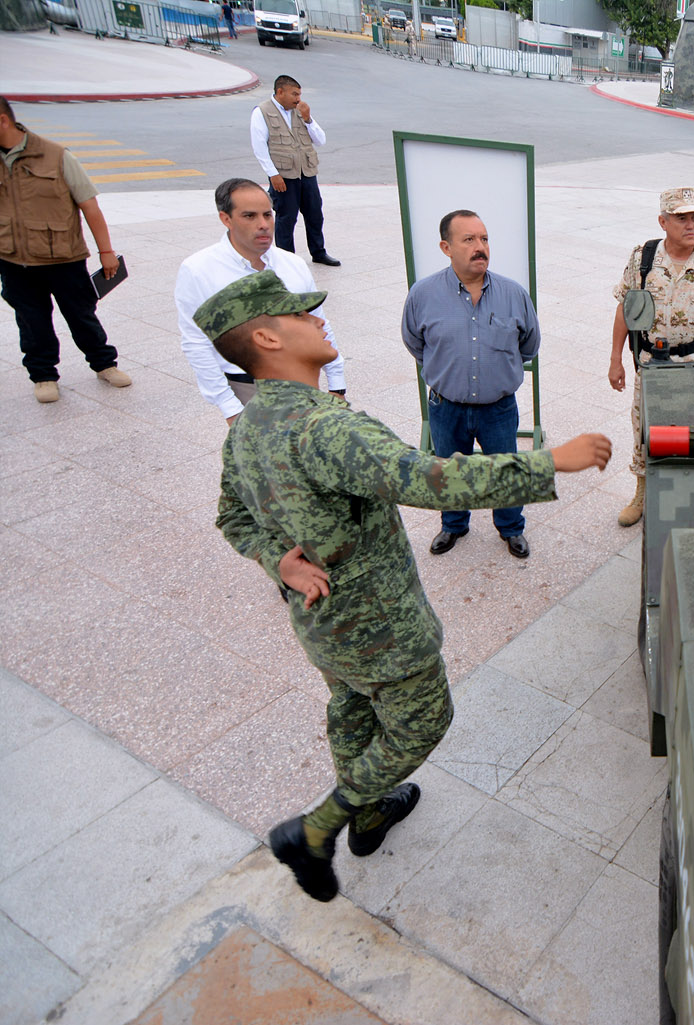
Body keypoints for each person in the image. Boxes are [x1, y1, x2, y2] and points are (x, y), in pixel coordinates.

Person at [201, 270, 610, 903]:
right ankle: (318, 829)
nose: (320, 321)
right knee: (422, 722)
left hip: (322, 625)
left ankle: (368, 819)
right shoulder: (325, 427)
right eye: (303, 317)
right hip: (382, 628)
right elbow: (429, 479)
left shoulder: (250, 426)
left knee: (353, 709)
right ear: (265, 337)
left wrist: (278, 560)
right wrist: (549, 460)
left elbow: (231, 516)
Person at [402, 210, 540, 558]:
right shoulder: (423, 294)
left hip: (499, 408)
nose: (480, 247)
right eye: (469, 240)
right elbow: (414, 343)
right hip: (446, 407)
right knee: (449, 471)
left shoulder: (513, 294)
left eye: (484, 239)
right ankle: (453, 526)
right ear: (446, 247)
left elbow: (530, 345)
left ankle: (510, 529)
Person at [607, 187, 694, 527]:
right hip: (651, 364)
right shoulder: (643, 258)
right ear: (663, 221)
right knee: (645, 431)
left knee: (693, 434)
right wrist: (615, 360)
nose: (690, 225)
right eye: (681, 218)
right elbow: (624, 307)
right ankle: (641, 494)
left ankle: (685, 498)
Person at [177, 178, 346, 423]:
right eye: (250, 216)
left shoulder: (293, 264)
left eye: (268, 215)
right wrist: (230, 408)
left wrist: (337, 384)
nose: (263, 225)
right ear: (226, 219)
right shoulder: (198, 270)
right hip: (247, 389)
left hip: (304, 382)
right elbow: (196, 342)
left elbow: (320, 322)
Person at [0, 95, 131, 404]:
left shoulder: (55, 156)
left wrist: (106, 252)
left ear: (2, 121)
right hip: (13, 258)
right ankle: (43, 375)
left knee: (81, 315)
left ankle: (104, 364)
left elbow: (90, 206)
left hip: (63, 256)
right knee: (31, 321)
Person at [251, 75, 340, 267]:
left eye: (299, 94)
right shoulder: (262, 112)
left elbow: (320, 140)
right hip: (284, 176)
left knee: (315, 214)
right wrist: (273, 174)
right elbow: (259, 147)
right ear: (280, 92)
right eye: (294, 94)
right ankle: (286, 259)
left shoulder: (300, 111)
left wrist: (308, 119)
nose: (298, 98)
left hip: (307, 173)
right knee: (286, 218)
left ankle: (318, 252)